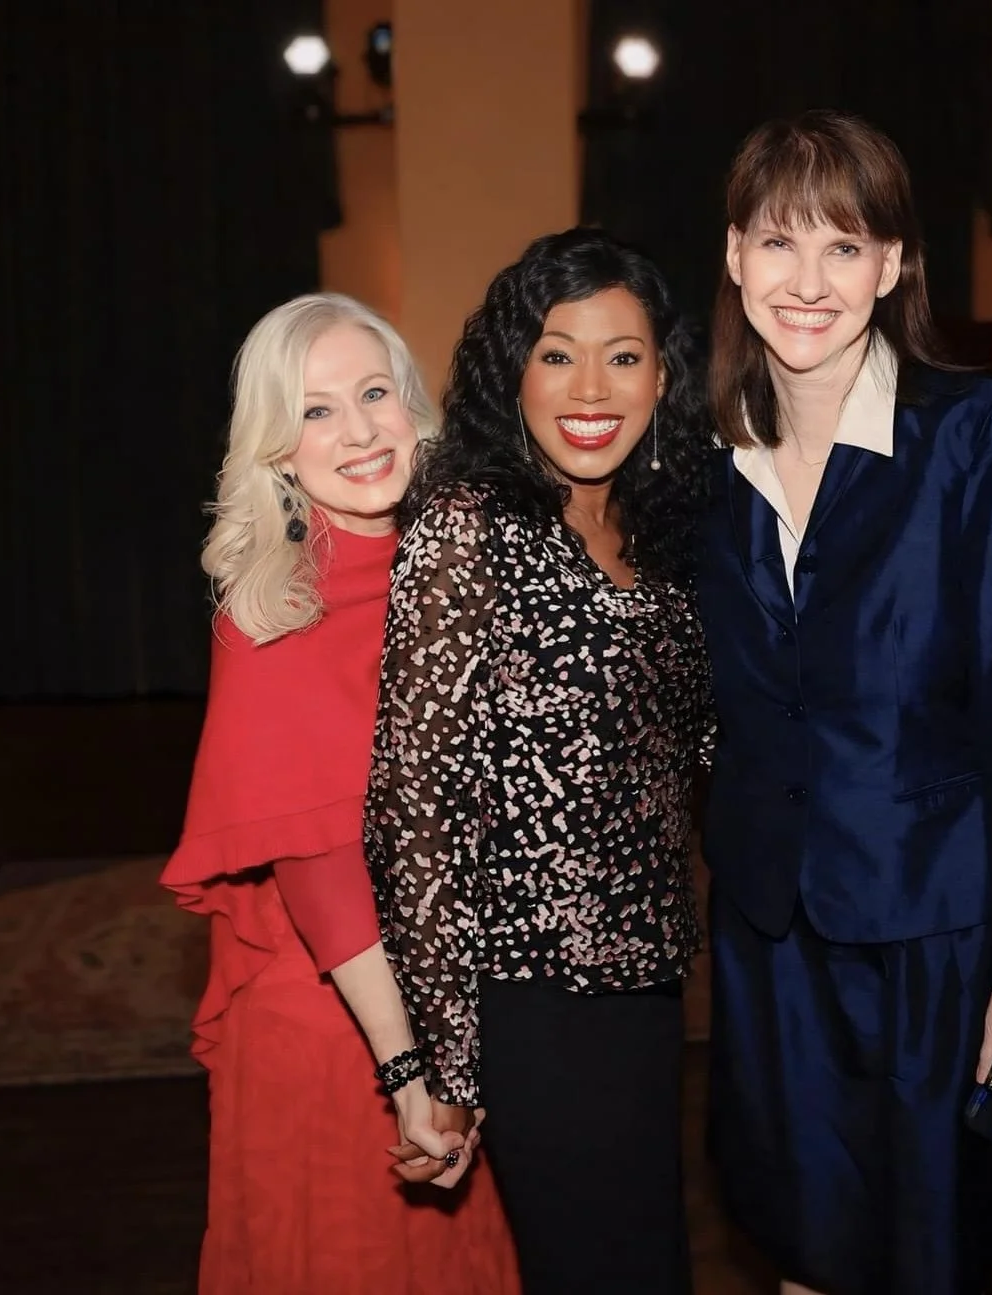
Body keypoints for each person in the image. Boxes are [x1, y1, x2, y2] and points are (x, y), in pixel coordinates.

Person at [697, 111, 992, 1295]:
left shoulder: (978, 437)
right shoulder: (704, 461)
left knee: (922, 1254)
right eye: (778, 242)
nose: (807, 282)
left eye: (843, 247)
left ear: (891, 265)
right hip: (769, 940)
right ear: (734, 254)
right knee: (798, 1244)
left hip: (934, 938)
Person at [363, 228, 715, 1295]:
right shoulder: (469, 530)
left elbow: (692, 749)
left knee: (650, 1259)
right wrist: (448, 1060)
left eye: (624, 355)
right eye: (557, 353)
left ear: (664, 375)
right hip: (531, 1000)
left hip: (648, 989)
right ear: (512, 371)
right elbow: (415, 808)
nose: (590, 388)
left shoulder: (664, 533)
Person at [161, 293, 519, 1295]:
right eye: (316, 410)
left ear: (413, 406)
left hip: (449, 997)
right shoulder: (273, 607)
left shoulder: (451, 567)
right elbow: (317, 858)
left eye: (373, 393)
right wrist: (407, 1068)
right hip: (342, 1023)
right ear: (278, 448)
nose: (358, 431)